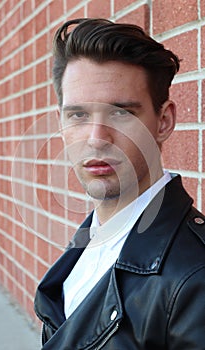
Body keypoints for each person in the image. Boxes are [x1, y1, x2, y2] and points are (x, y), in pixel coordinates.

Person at [34, 18, 205, 349]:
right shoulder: (93, 238)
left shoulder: (195, 276)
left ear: (164, 121)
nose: (96, 140)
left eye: (120, 113)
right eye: (78, 115)